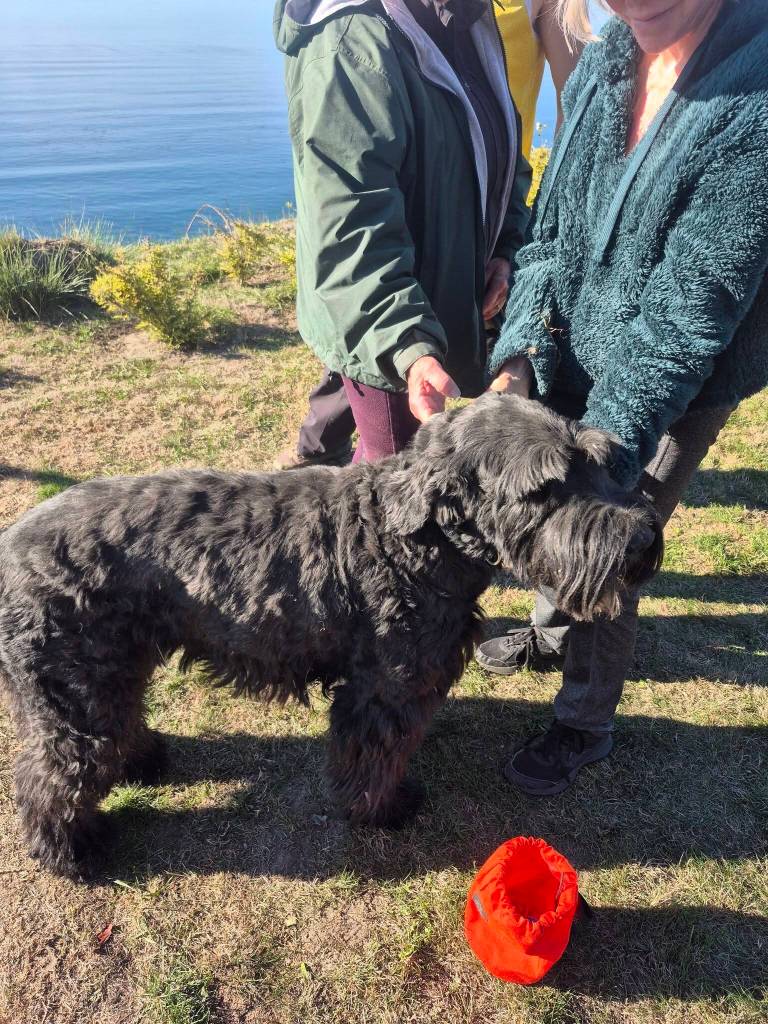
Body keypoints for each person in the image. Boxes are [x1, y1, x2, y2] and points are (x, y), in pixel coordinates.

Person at [478, 0, 768, 794]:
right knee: (561, 521)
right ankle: (547, 631)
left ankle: (584, 721)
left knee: (607, 530)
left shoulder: (758, 94)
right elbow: (547, 233)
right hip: (575, 342)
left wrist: (592, 461)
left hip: (684, 381)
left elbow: (684, 319)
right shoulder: (609, 54)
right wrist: (521, 361)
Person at [274, 0, 581, 469]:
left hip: (431, 297)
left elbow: (500, 149)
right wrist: (408, 345)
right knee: (391, 475)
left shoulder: (465, 19)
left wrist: (505, 245)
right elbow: (350, 227)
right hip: (383, 312)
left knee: (394, 473)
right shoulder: (349, 44)